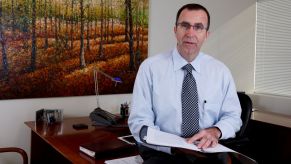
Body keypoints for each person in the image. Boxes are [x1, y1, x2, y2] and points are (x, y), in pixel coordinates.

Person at [128, 3, 242, 163]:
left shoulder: (221, 71)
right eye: (185, 26)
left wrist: (216, 131)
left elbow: (233, 116)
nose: (190, 33)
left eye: (198, 27)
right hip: (164, 154)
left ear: (206, 34)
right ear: (175, 30)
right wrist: (171, 146)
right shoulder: (150, 68)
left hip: (208, 153)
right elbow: (139, 121)